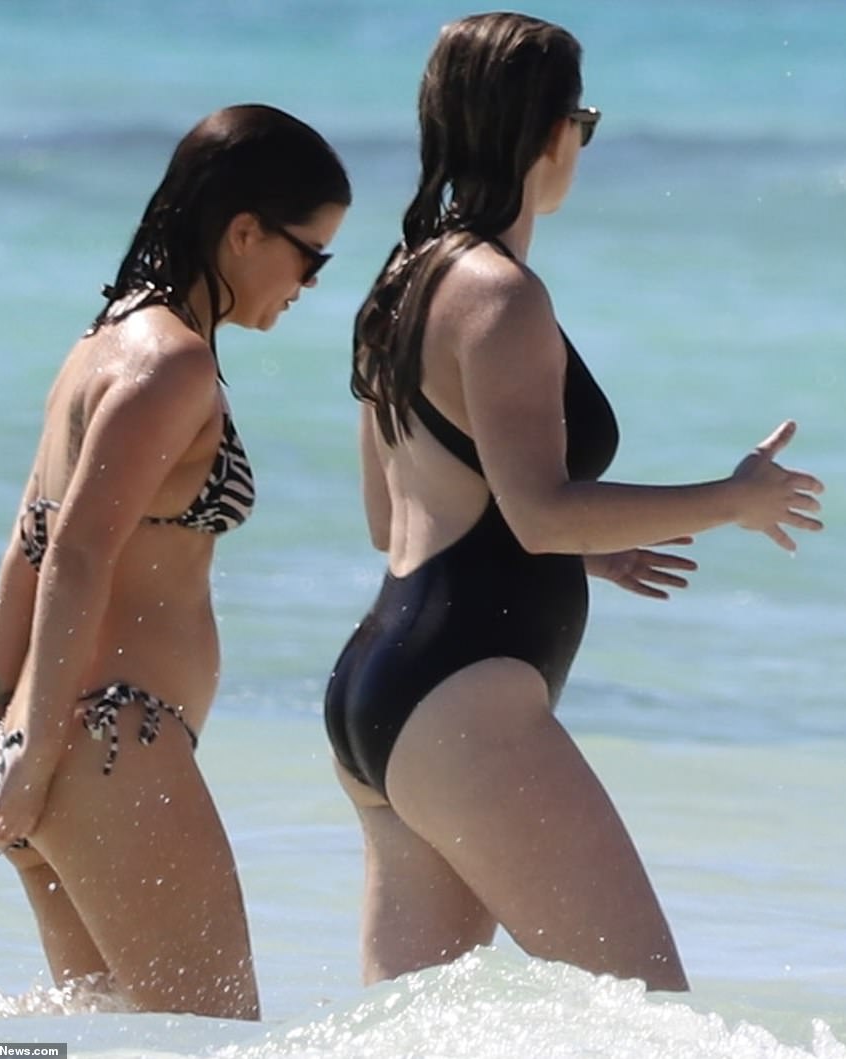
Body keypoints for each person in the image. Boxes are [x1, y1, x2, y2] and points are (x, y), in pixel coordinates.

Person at [323, 13, 824, 993]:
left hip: (380, 685)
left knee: (419, 1042)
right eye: (581, 119)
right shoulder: (499, 296)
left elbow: (399, 523)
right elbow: (540, 512)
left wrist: (574, 554)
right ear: (547, 129)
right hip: (461, 703)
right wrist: (733, 499)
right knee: (651, 1027)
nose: (580, 145)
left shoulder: (401, 281)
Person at [0, 103, 351, 1018]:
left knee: (112, 1037)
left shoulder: (98, 348)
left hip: (65, 749)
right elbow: (72, 554)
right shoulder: (173, 365)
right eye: (312, 255)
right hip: (115, 747)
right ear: (243, 232)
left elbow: (26, 542)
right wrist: (26, 758)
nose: (312, 283)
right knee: (215, 1041)